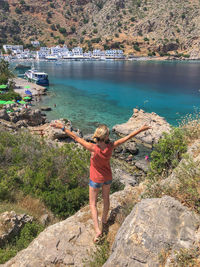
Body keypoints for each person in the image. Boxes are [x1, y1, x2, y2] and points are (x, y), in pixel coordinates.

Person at [51, 122, 151, 243]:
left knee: (92, 204)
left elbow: (75, 137)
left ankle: (98, 229)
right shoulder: (111, 146)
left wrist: (62, 128)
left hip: (95, 179)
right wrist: (141, 128)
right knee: (106, 199)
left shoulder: (92, 147)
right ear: (106, 137)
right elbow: (127, 137)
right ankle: (104, 219)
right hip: (107, 177)